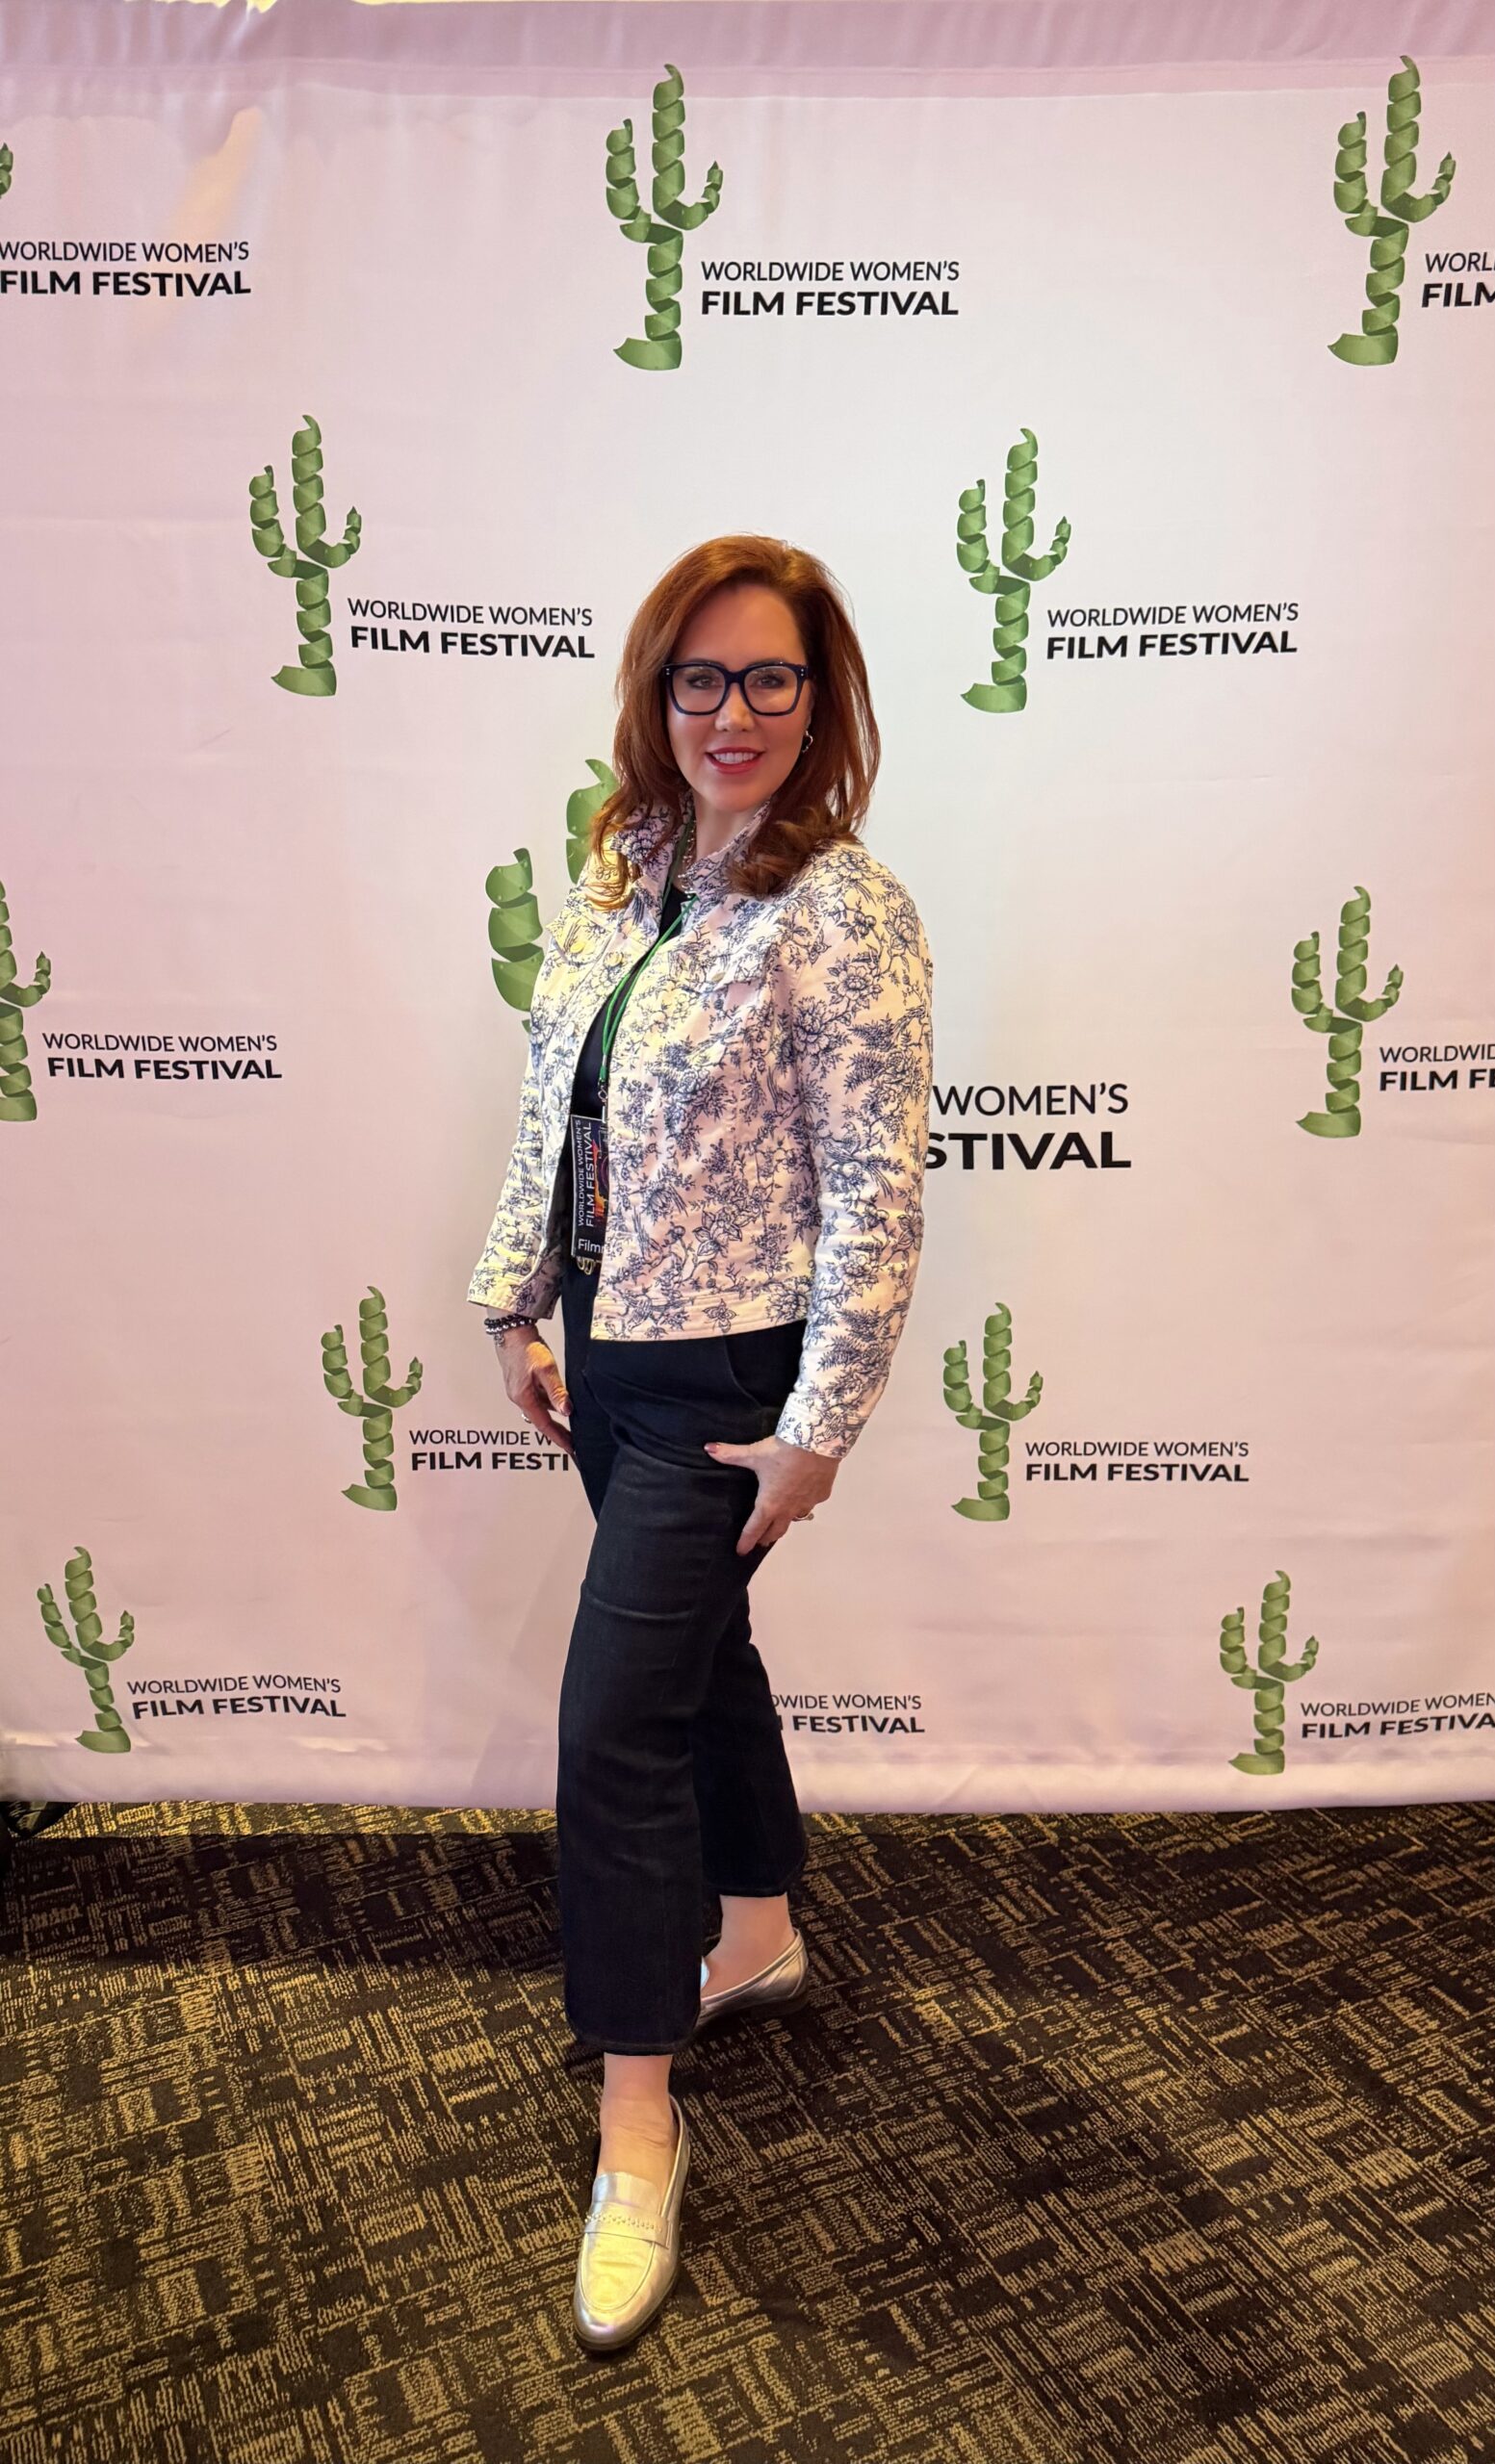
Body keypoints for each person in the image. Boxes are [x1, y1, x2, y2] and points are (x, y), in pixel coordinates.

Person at [468, 534, 934, 2349]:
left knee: (611, 1735)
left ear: (821, 701)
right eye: (700, 678)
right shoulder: (626, 871)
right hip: (609, 1351)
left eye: (770, 679)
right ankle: (756, 1932)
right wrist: (515, 1301)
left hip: (731, 1382)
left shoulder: (844, 910)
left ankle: (637, 2120)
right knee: (696, 1663)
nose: (732, 712)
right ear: (654, 695)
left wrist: (818, 1430)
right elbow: (554, 1113)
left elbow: (875, 1194)